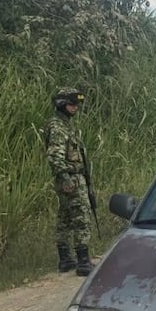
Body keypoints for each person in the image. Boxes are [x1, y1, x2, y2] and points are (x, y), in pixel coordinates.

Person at [44, 85, 96, 276]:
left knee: (65, 217)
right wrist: (66, 178)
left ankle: (65, 259)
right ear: (62, 103)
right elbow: (55, 157)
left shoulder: (64, 125)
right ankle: (83, 262)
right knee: (82, 216)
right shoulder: (58, 127)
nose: (75, 107)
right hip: (70, 178)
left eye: (77, 104)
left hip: (71, 177)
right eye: (72, 103)